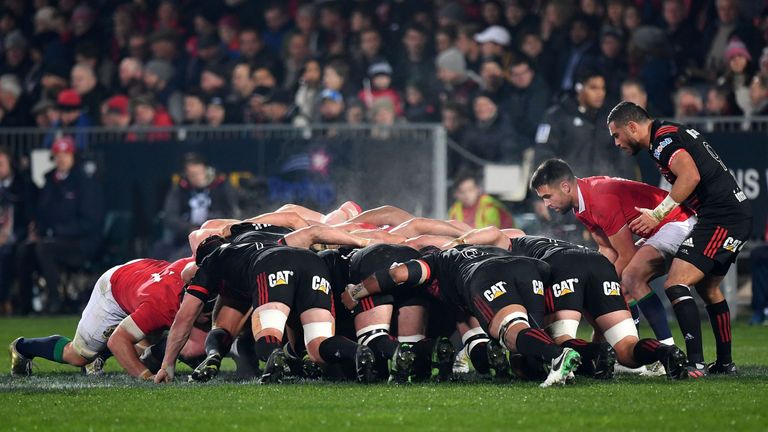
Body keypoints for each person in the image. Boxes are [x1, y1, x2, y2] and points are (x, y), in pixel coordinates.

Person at [607, 101, 753, 377]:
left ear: (632, 127)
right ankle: (724, 364)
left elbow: (690, 175)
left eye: (616, 134)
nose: (616, 142)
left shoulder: (663, 140)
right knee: (708, 289)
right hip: (731, 215)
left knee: (676, 283)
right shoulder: (665, 134)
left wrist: (657, 214)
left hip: (722, 218)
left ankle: (695, 364)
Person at [341, 244, 583, 388]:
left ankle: (557, 355)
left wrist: (355, 291)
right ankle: (561, 363)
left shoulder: (438, 262)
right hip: (529, 267)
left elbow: (396, 275)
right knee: (529, 349)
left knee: (511, 333)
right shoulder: (470, 251)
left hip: (485, 274)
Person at [528, 159, 695, 347]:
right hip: (661, 229)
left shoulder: (599, 199)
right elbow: (608, 250)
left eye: (548, 196)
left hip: (679, 223)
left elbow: (627, 254)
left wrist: (596, 286)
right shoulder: (580, 207)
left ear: (565, 187)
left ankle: (668, 350)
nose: (547, 204)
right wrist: (598, 283)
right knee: (621, 290)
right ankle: (632, 351)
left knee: (630, 278)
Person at [10, 257, 200, 378]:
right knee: (78, 355)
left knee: (149, 347)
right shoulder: (161, 308)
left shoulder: (202, 270)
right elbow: (118, 340)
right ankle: (22, 347)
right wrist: (145, 377)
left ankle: (100, 353)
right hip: (113, 291)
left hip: (143, 274)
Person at [18, 137, 103, 314]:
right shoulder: (50, 181)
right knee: (24, 250)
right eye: (57, 155)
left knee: (44, 249)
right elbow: (42, 212)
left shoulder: (85, 183)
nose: (61, 159)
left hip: (80, 243)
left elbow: (90, 222)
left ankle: (55, 299)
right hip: (52, 239)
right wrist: (39, 229)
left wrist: (55, 231)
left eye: (65, 154)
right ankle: (25, 305)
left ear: (73, 156)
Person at [152, 153, 240, 261]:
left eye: (199, 173)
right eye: (192, 175)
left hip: (216, 234)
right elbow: (170, 216)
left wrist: (215, 227)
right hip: (186, 237)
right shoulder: (180, 188)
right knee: (163, 251)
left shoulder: (221, 185)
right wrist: (188, 228)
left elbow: (233, 211)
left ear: (206, 169)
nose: (197, 178)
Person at [0, 149, 37, 315]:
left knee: (17, 253)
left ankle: (20, 305)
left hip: (17, 238)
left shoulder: (23, 186)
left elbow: (29, 217)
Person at [448, 171, 514, 230]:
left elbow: (493, 234)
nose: (466, 195)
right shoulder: (454, 210)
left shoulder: (489, 206)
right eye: (462, 191)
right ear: (456, 194)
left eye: (470, 190)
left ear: (478, 189)